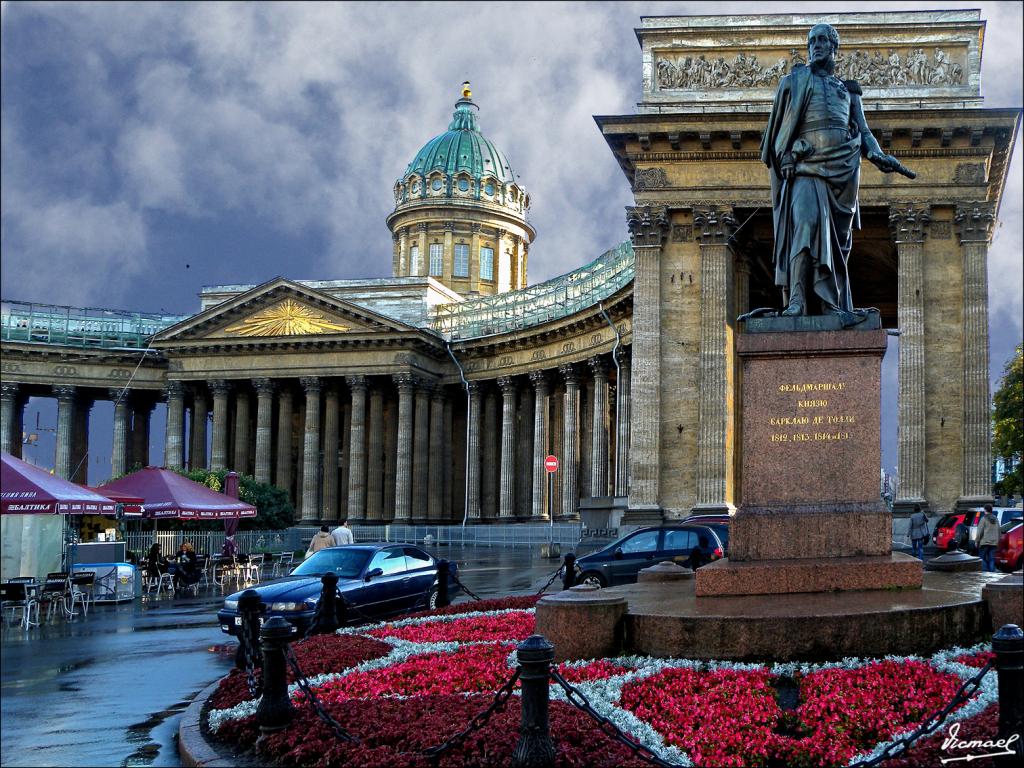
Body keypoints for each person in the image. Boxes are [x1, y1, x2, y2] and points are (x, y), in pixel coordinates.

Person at [760, 23, 910, 326]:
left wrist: (878, 154)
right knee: (804, 224)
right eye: (811, 41)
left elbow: (864, 131)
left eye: (822, 40)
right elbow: (776, 133)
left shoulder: (848, 91)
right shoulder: (794, 82)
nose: (815, 45)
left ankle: (831, 305)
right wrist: (786, 153)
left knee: (836, 245)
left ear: (834, 47)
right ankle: (797, 301)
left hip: (842, 172)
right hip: (806, 168)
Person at [976, 505, 1000, 572]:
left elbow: (979, 531)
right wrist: (997, 541)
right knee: (992, 558)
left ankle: (985, 571)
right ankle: (991, 572)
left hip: (984, 542)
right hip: (994, 543)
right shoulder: (996, 519)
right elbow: (999, 530)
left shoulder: (983, 519)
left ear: (985, 510)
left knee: (981, 557)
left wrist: (977, 540)